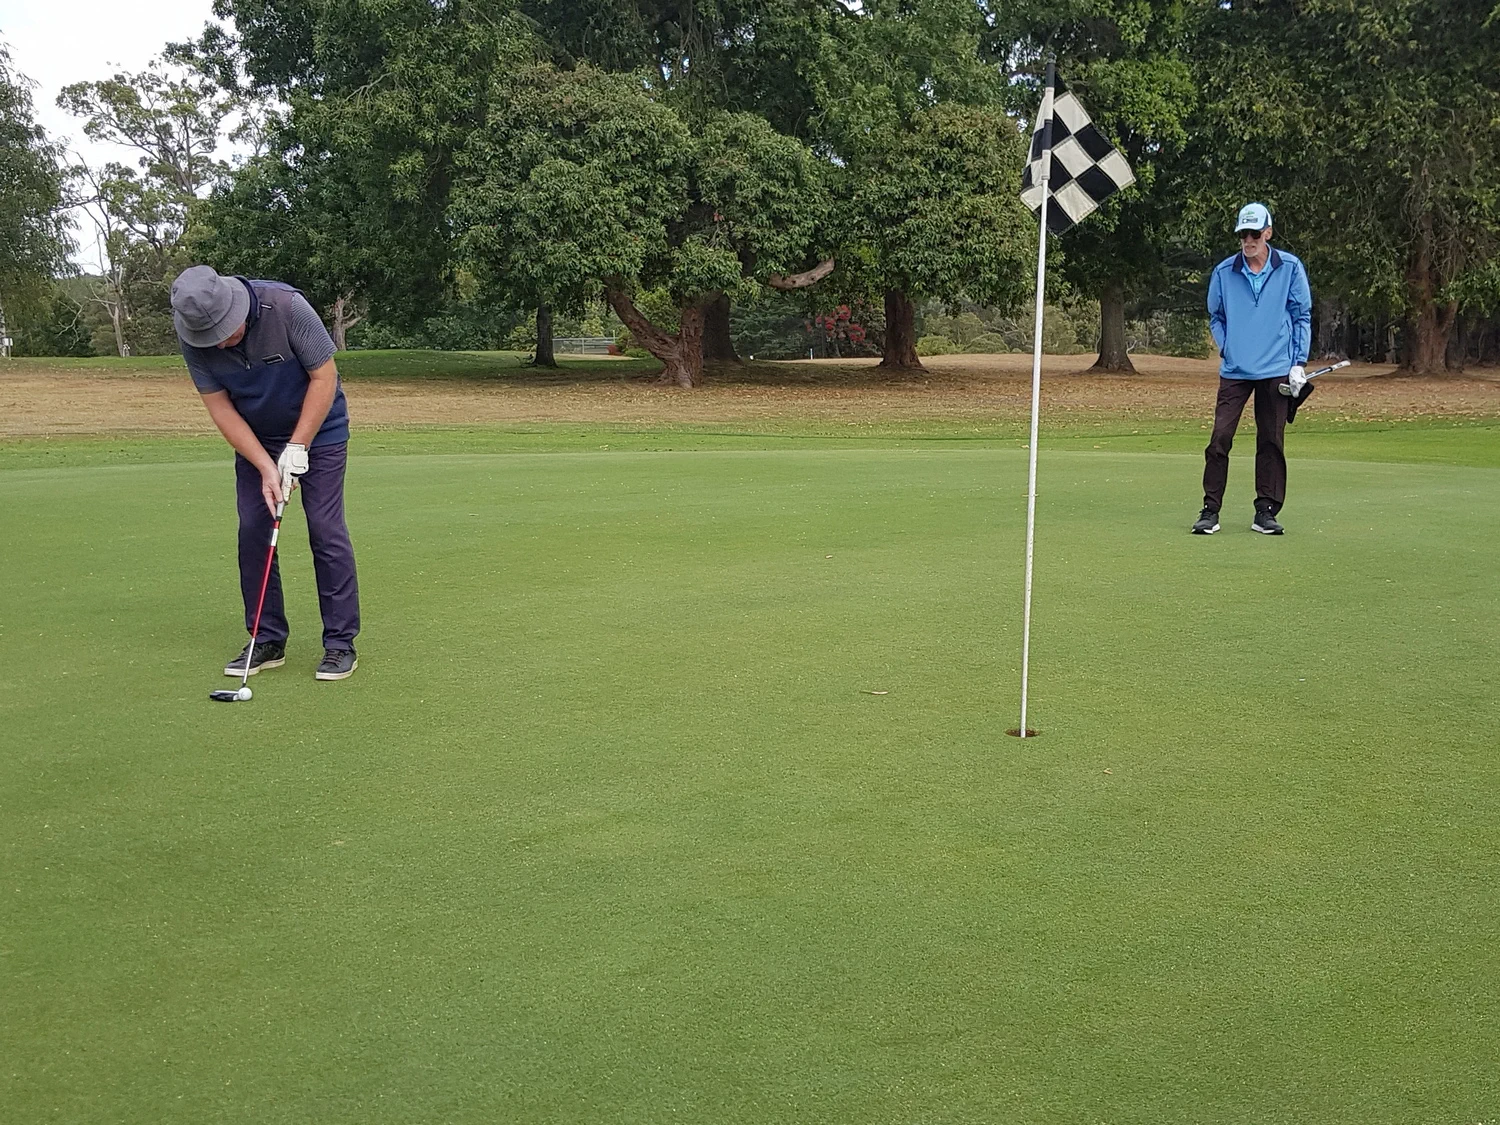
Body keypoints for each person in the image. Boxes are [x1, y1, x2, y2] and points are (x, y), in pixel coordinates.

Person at [170, 265, 360, 680]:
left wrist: (298, 445)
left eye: (225, 331)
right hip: (257, 437)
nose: (220, 342)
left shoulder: (288, 307)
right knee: (255, 529)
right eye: (210, 337)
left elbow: (325, 377)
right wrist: (264, 465)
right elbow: (220, 408)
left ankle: (340, 643)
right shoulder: (193, 336)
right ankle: (267, 639)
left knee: (325, 528)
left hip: (321, 430)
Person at [1192, 202, 1312, 535]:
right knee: (1220, 438)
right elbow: (1216, 316)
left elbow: (1301, 316)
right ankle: (1210, 510)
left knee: (1271, 440)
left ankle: (1266, 512)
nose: (1248, 241)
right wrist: (1227, 347)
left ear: (1267, 233)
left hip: (1276, 368)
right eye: (1243, 234)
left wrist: (1298, 363)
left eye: (1254, 234)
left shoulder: (1290, 268)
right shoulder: (1223, 272)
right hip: (1235, 370)